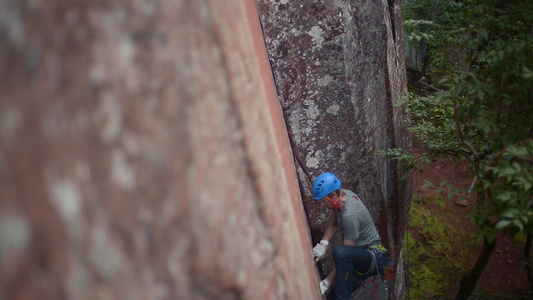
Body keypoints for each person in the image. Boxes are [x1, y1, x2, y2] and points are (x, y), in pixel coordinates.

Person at [311, 172, 386, 300]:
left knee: (340, 252)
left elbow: (345, 256)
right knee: (332, 297)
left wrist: (327, 282)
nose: (322, 205)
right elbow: (333, 223)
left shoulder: (350, 216)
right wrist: (323, 244)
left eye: (323, 201)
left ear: (333, 196)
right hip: (360, 255)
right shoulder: (342, 195)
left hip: (372, 256)